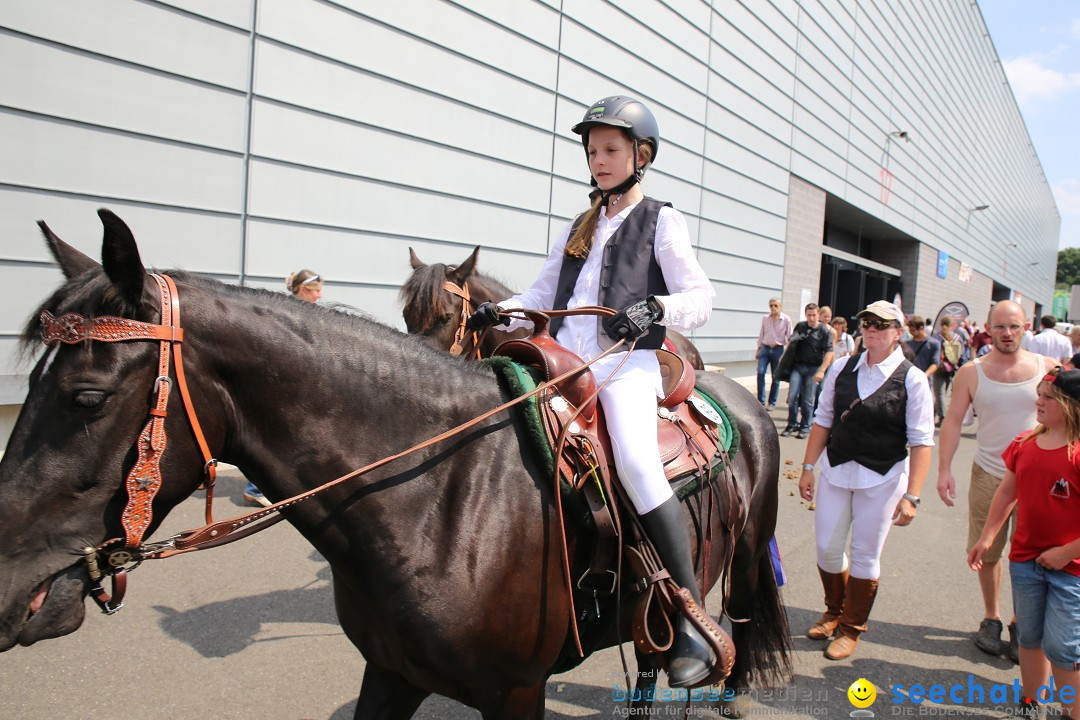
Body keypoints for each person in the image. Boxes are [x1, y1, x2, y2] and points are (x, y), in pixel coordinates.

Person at [466, 95, 717, 687]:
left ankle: (691, 616)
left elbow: (701, 297)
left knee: (633, 460)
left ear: (641, 154)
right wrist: (496, 312)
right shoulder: (581, 225)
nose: (598, 160)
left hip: (626, 365)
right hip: (566, 363)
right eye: (591, 150)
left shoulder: (662, 218)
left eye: (610, 149)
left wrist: (656, 307)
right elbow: (538, 295)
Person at [797, 300, 934, 660]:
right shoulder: (842, 367)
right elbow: (823, 419)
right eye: (867, 322)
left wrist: (913, 496)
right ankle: (834, 609)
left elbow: (921, 442)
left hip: (883, 477)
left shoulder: (913, 379)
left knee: (865, 555)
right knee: (827, 548)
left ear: (897, 333)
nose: (871, 328)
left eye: (881, 324)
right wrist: (808, 467)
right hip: (837, 469)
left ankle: (851, 627)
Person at [937, 301, 1058, 661]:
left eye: (1015, 326)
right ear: (988, 329)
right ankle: (991, 617)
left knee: (1033, 554)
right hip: (989, 472)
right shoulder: (971, 373)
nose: (1008, 333)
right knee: (986, 551)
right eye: (1001, 327)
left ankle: (1023, 624)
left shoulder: (1047, 369)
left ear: (1026, 328)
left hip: (1040, 480)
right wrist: (944, 470)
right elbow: (954, 421)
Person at [968, 367, 1080, 720]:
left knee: (1063, 649)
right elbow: (1007, 492)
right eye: (1040, 394)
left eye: (1049, 397)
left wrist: (1066, 552)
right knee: (1030, 639)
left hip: (1072, 570)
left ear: (1073, 407)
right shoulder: (1024, 443)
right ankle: (1031, 705)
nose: (1039, 402)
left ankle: (1071, 711)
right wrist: (987, 536)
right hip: (1025, 562)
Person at [241, 269, 325, 507]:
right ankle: (255, 488)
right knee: (274, 439)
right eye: (316, 290)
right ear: (302, 290)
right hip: (285, 386)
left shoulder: (298, 311)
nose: (320, 296)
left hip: (297, 384)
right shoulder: (289, 313)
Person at [782, 304, 834, 440]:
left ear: (818, 315)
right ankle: (792, 424)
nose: (811, 318)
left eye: (814, 315)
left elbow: (829, 352)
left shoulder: (825, 331)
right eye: (809, 315)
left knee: (808, 400)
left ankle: (805, 427)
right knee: (792, 397)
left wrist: (822, 371)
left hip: (814, 369)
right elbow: (792, 344)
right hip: (798, 367)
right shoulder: (801, 326)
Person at [757, 298, 793, 409]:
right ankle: (760, 401)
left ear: (780, 306)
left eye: (776, 305)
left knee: (776, 376)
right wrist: (758, 349)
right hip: (765, 348)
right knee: (760, 372)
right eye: (771, 305)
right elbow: (761, 333)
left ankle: (772, 402)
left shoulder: (786, 319)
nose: (773, 308)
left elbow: (790, 337)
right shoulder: (765, 318)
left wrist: (787, 355)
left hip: (778, 350)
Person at [933, 316, 964, 427]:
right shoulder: (957, 337)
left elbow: (934, 353)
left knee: (939, 393)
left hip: (940, 367)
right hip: (952, 367)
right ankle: (933, 413)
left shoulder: (937, 337)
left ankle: (943, 417)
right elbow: (962, 353)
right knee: (942, 393)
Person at [903, 316, 940, 381]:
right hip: (909, 379)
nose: (911, 332)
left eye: (913, 330)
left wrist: (925, 375)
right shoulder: (907, 343)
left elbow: (935, 364)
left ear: (921, 328)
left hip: (925, 380)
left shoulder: (934, 344)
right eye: (910, 330)